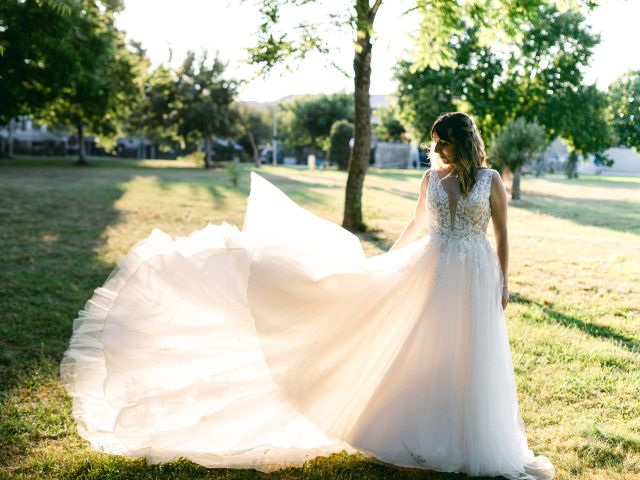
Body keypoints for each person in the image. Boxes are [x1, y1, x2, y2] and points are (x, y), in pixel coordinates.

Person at [61, 112, 554, 479]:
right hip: (432, 270)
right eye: (435, 145)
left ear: (461, 142)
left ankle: (472, 437)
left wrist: (504, 278)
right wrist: (383, 263)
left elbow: (503, 234)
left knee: (473, 354)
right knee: (422, 349)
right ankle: (425, 433)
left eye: (443, 143)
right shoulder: (430, 179)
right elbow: (415, 225)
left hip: (475, 271)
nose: (437, 150)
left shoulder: (491, 181)